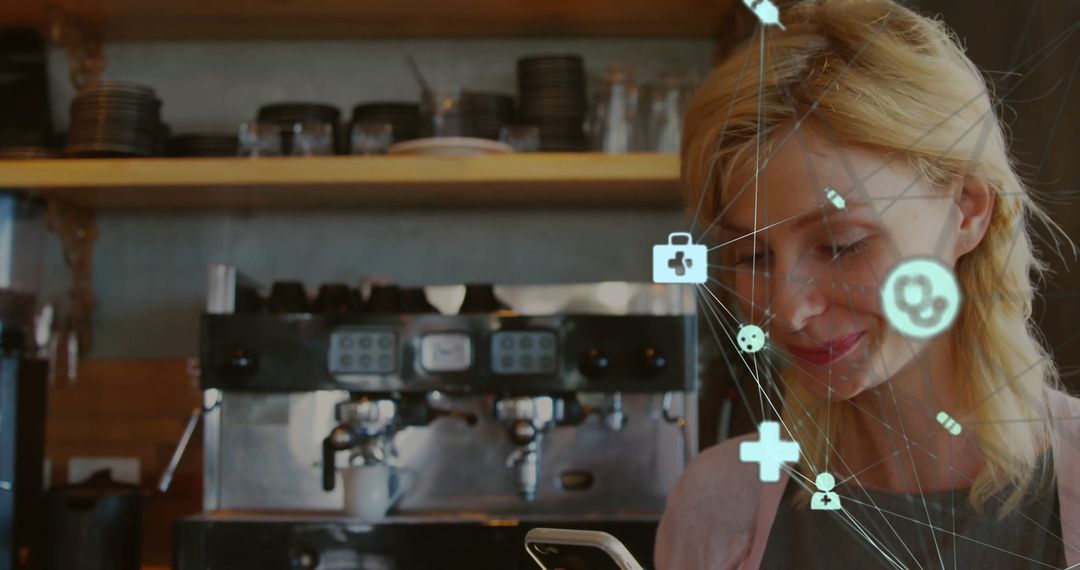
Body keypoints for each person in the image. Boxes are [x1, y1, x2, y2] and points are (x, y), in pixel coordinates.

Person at [655, 0, 1080, 568]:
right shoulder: (715, 505)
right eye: (751, 254)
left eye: (841, 245)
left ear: (968, 208)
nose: (787, 310)